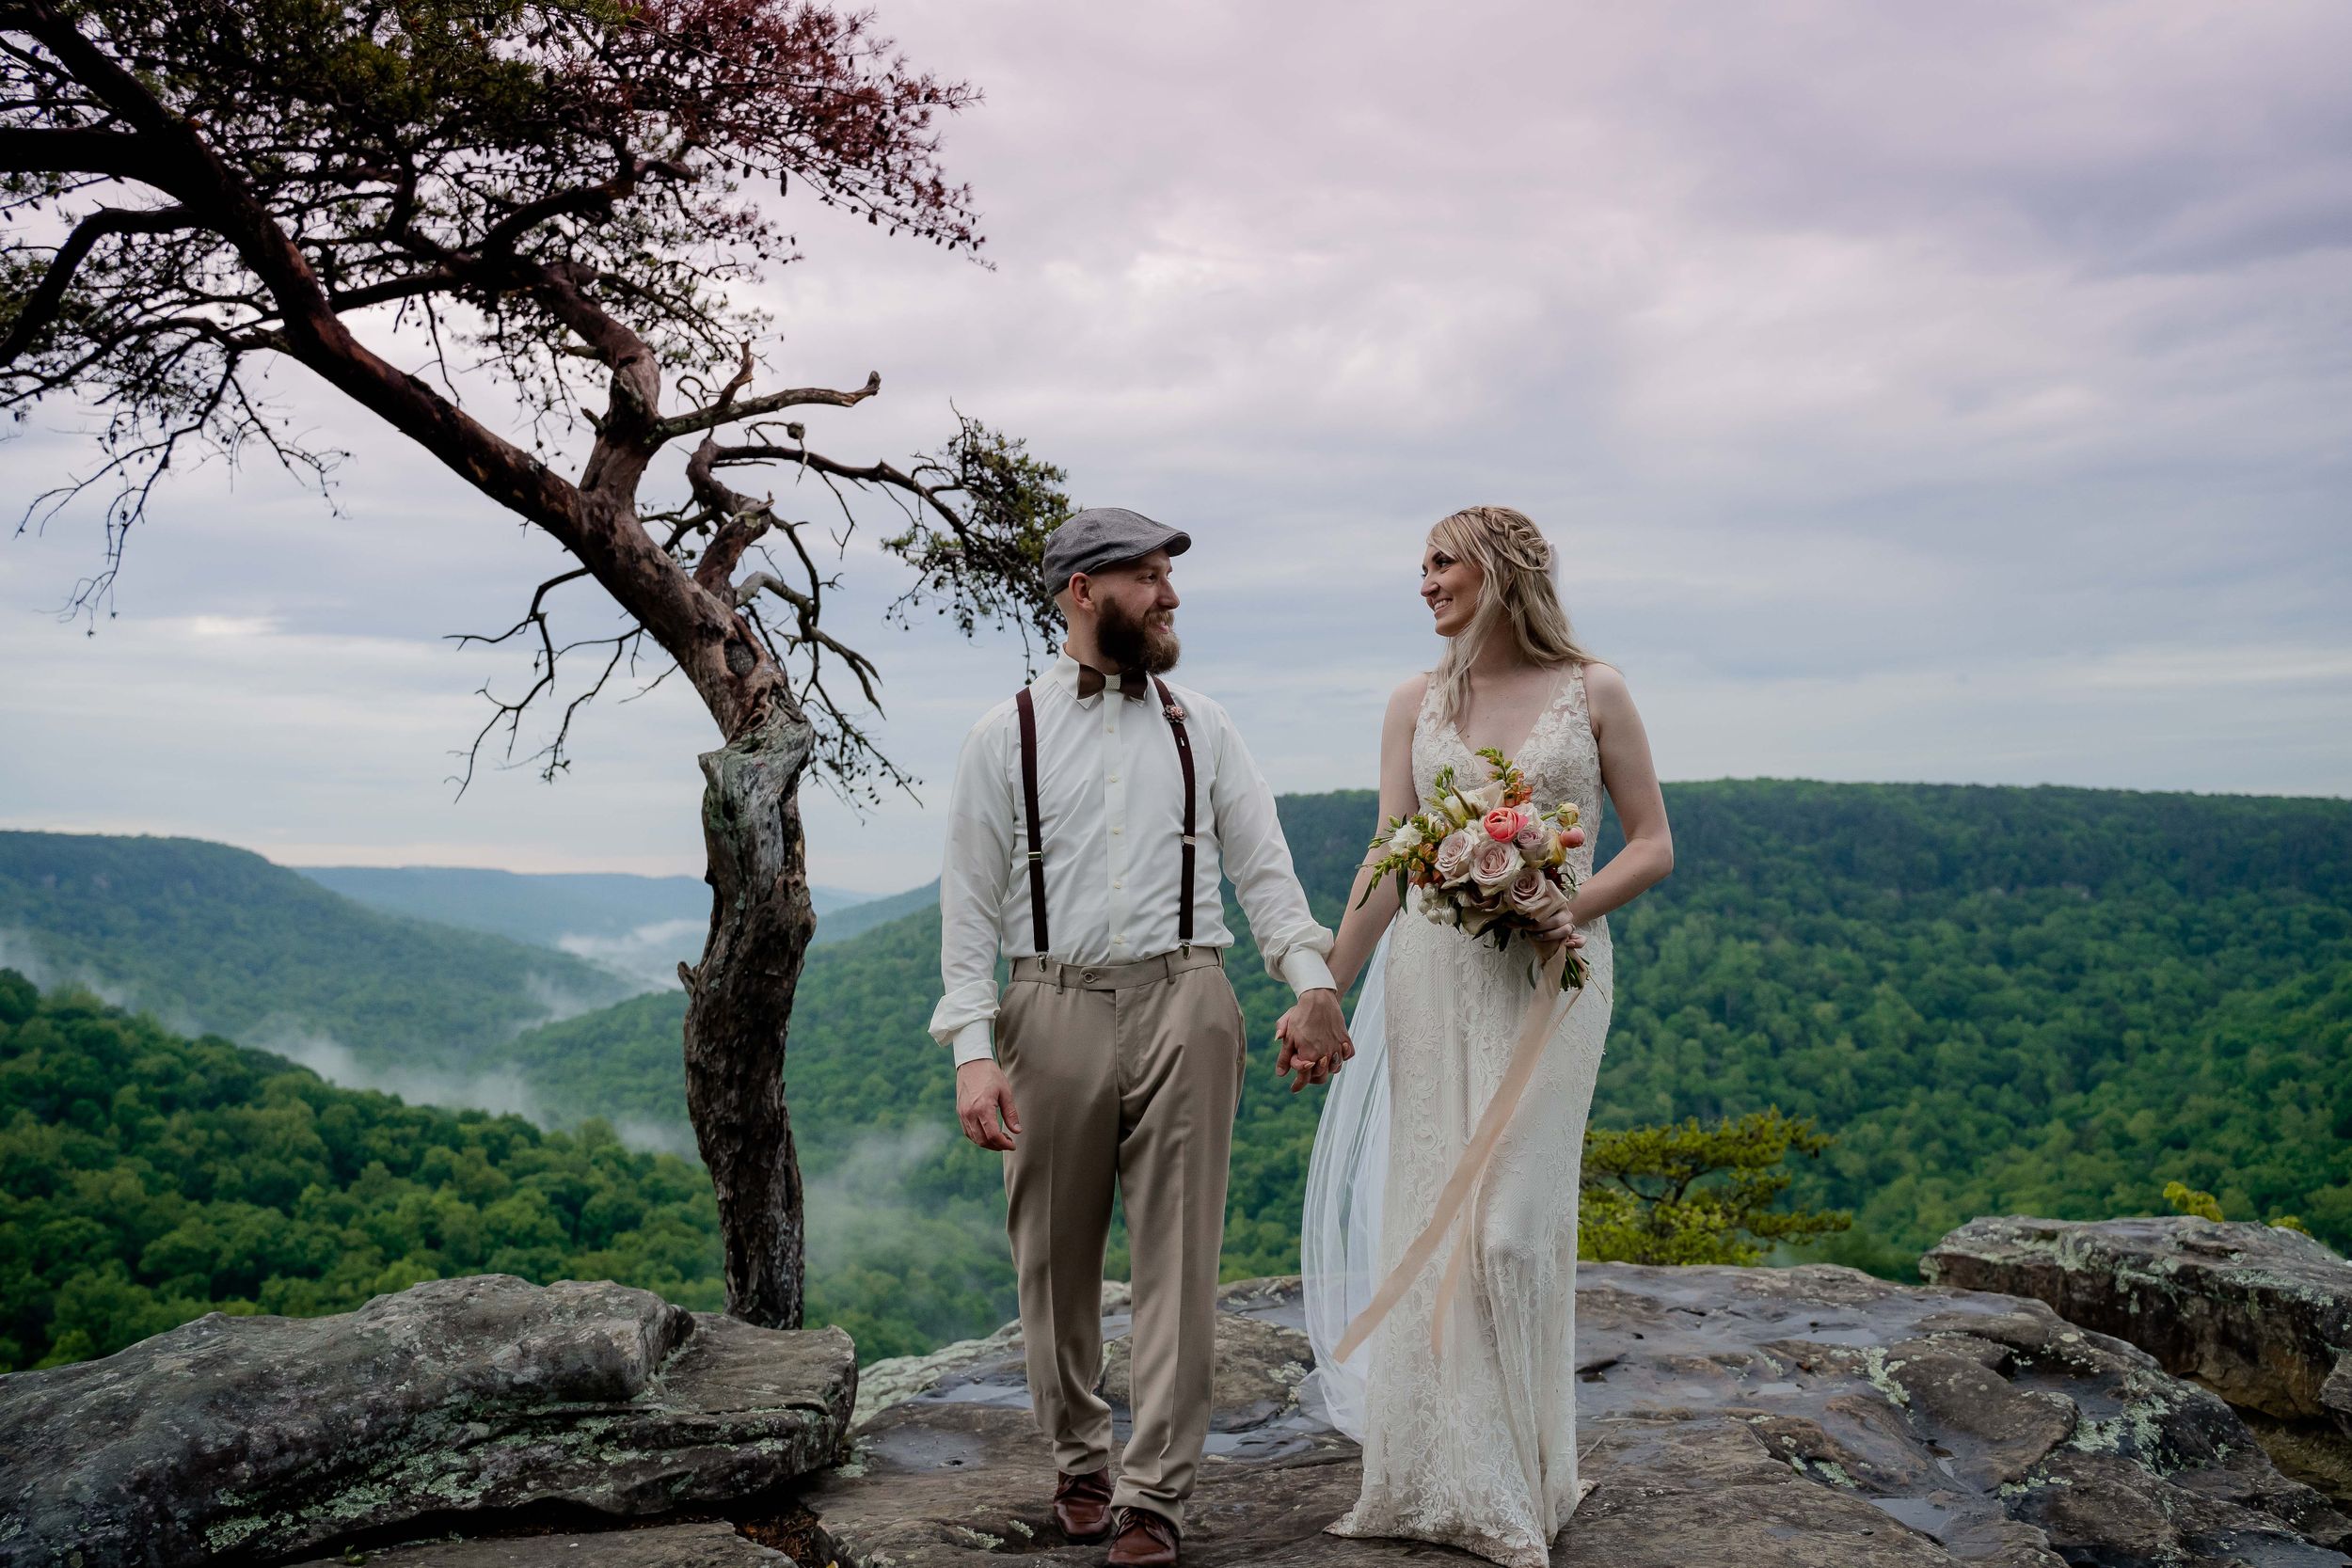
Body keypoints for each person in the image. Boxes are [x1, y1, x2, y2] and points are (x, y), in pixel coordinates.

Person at [930, 506, 1353, 1567]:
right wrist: (972, 1048)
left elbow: (1265, 873)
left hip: (1188, 997)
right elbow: (967, 909)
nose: (1169, 595)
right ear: (1082, 591)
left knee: (1181, 1257)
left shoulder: (1204, 725)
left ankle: (1156, 1493)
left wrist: (1312, 983)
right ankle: (1079, 1454)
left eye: (1169, 574)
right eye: (1148, 576)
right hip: (1048, 1005)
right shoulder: (1003, 735)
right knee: (1051, 1255)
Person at [1291, 504, 1674, 1567]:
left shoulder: (1595, 690)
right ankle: (1449, 1476)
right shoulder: (1414, 702)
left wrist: (1566, 901)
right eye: (1420, 565)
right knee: (1438, 1213)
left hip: (1555, 978)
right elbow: (1388, 854)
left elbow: (1653, 843)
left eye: (1440, 561)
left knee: (1507, 1227)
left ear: (1500, 571)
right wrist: (1325, 986)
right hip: (1432, 977)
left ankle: (1526, 1476)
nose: (1424, 581)